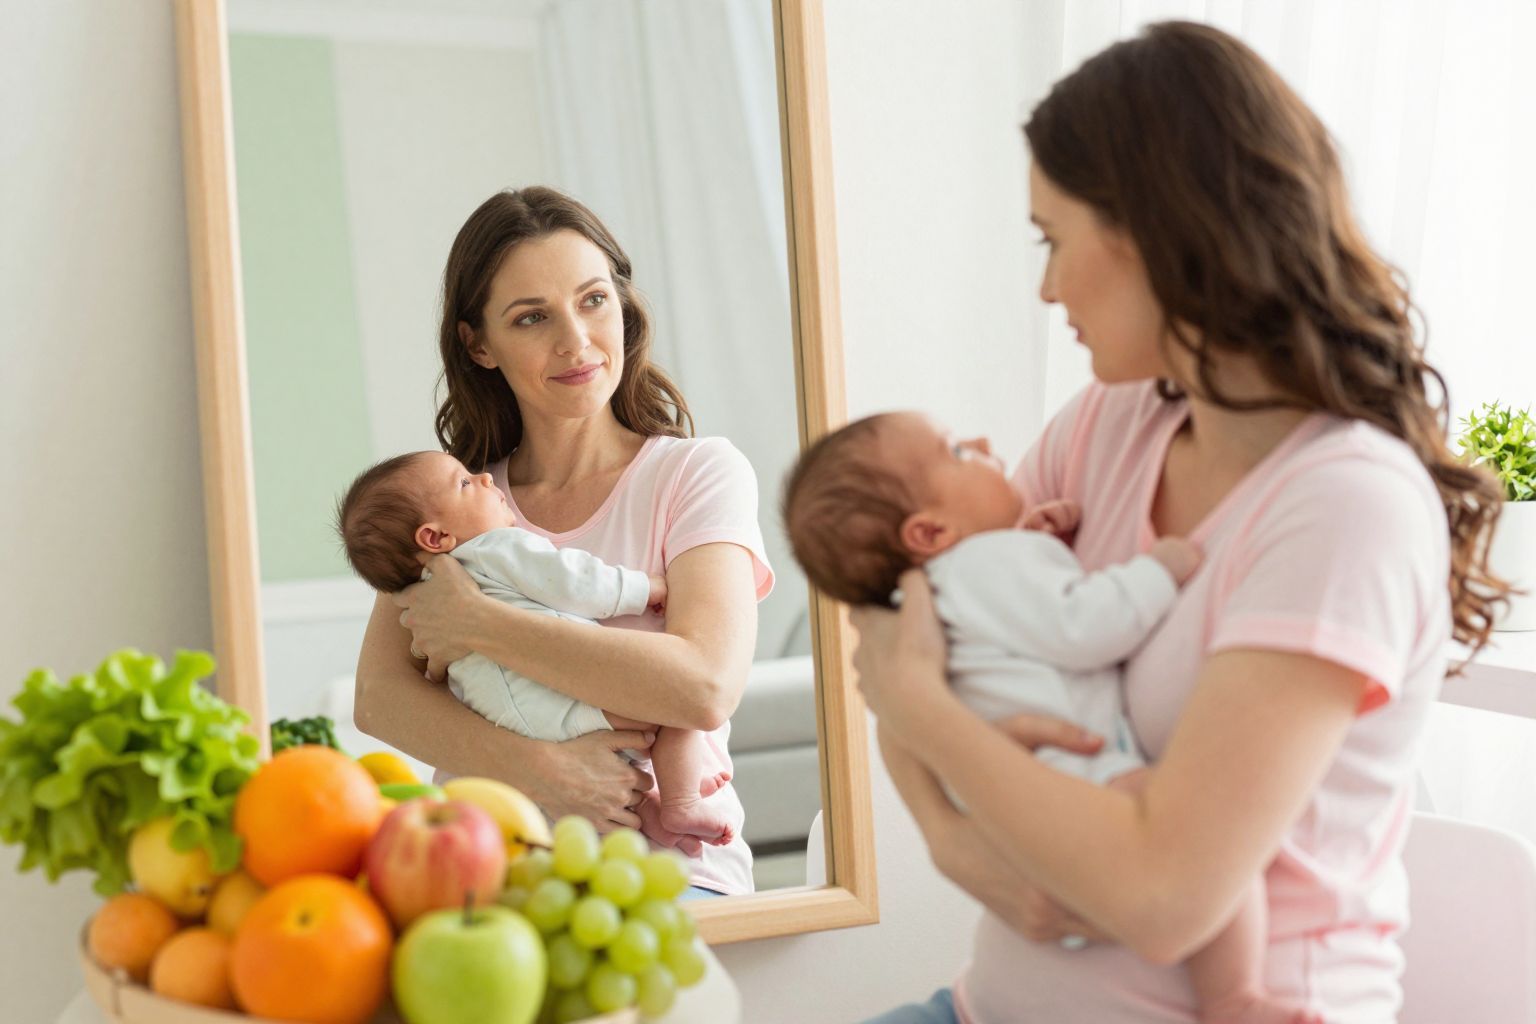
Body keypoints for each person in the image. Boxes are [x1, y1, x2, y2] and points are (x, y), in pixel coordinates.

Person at [851, 21, 1508, 1023]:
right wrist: (958, 845)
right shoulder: (1107, 424)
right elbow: (902, 630)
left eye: (1052, 239)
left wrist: (927, 715)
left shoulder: (1346, 506)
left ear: (1158, 230)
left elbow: (1164, 899)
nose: (1045, 285)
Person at [784, 412, 1317, 1023]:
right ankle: (1234, 998)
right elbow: (1080, 626)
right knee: (1220, 846)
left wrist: (1032, 542)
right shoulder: (997, 550)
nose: (984, 441)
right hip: (1064, 768)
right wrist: (1157, 571)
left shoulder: (945, 577)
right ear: (930, 532)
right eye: (958, 450)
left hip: (1011, 802)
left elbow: (923, 677)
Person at [353, 187, 774, 898]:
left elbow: (703, 687)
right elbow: (380, 697)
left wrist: (481, 624)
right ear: (478, 344)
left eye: (592, 300)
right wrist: (543, 769)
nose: (576, 341)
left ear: (622, 304)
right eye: (531, 317)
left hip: (668, 883)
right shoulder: (455, 505)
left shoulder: (698, 473)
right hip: (481, 875)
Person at [337, 449, 736, 854]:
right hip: (551, 714)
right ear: (435, 537)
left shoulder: (427, 581)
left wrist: (472, 620)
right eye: (464, 482)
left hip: (507, 726)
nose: (484, 481)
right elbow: (576, 583)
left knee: (633, 756)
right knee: (669, 715)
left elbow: (704, 689)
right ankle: (681, 801)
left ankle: (652, 815)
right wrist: (644, 589)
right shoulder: (494, 546)